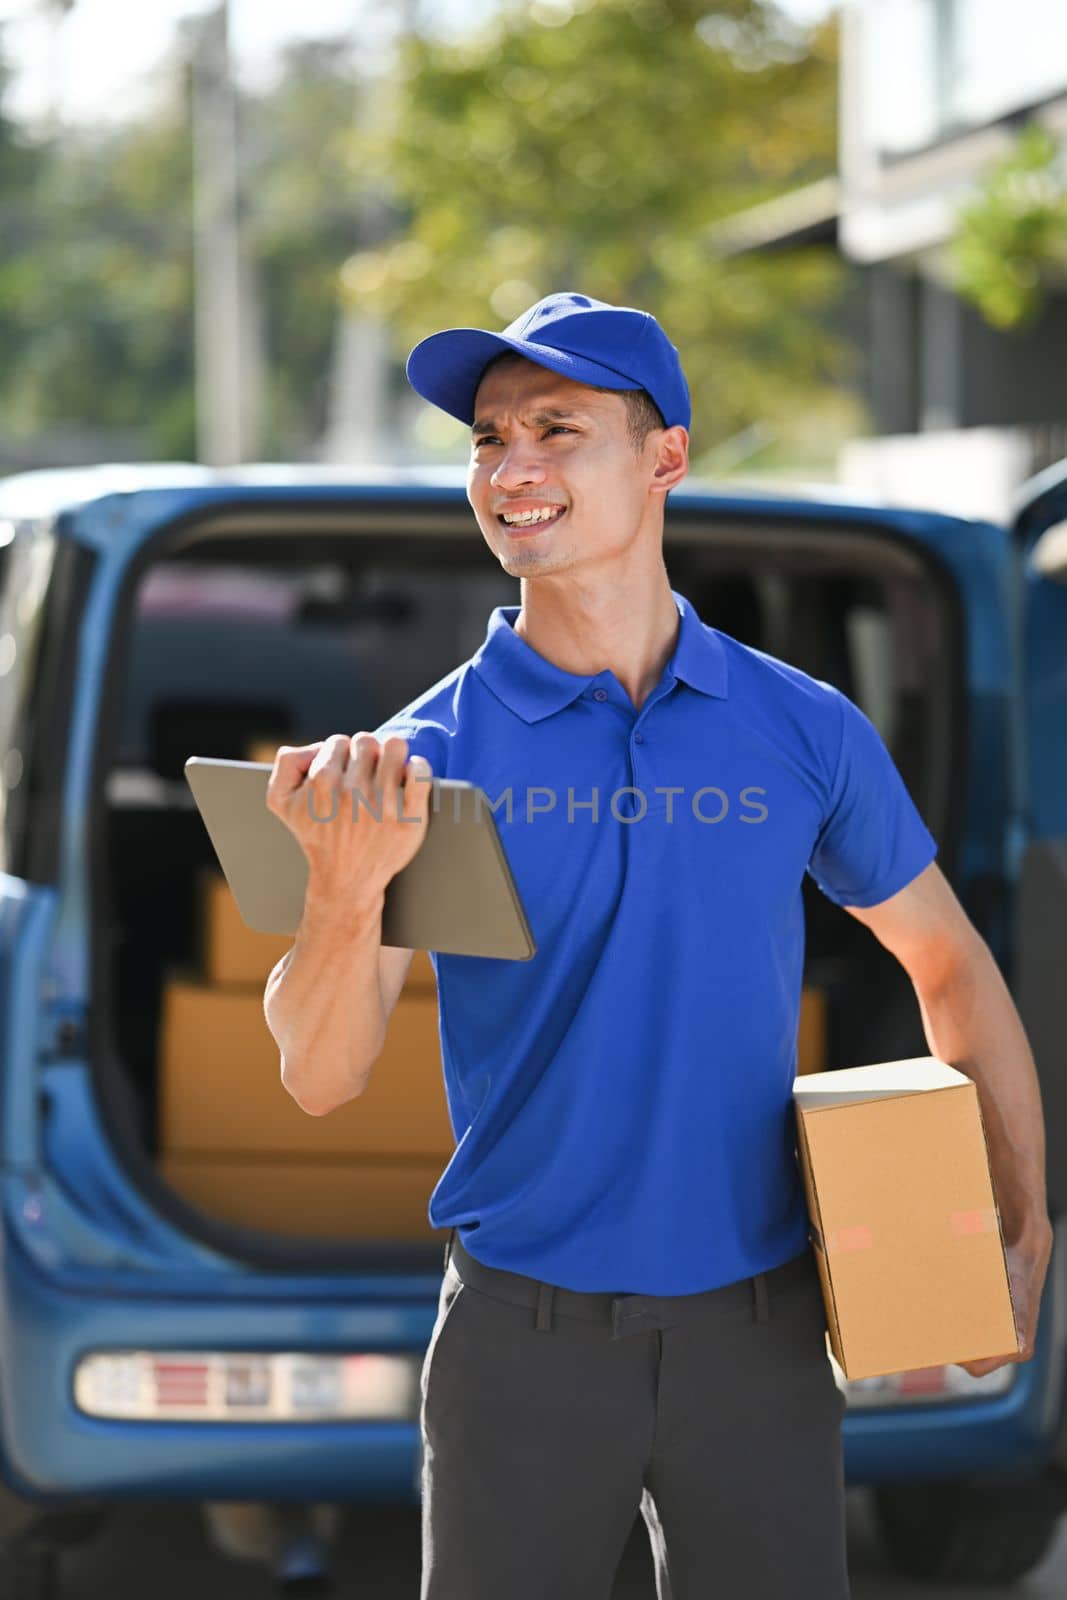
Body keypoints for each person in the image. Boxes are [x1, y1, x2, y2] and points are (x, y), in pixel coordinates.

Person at [264, 292, 1052, 1600]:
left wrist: (1018, 1230)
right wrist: (343, 896)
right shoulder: (425, 763)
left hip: (766, 1331)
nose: (510, 468)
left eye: (557, 429)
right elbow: (319, 1076)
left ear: (664, 458)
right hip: (522, 1340)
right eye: (488, 438)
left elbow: (950, 965)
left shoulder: (797, 729)